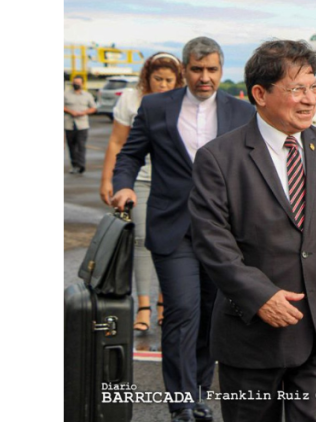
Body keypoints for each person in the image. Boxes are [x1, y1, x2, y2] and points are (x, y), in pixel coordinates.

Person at [189, 40, 316, 422]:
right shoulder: (219, 158)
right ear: (260, 94)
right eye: (296, 89)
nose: (309, 100)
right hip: (252, 334)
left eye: (313, 88)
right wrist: (260, 296)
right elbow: (212, 241)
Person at [110, 37, 255, 422]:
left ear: (221, 70)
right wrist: (123, 185)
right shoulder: (156, 106)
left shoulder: (242, 112)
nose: (205, 77)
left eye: (212, 70)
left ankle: (200, 392)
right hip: (173, 228)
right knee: (182, 310)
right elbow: (130, 154)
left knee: (211, 314)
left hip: (223, 232)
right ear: (184, 70)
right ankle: (182, 402)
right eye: (197, 69)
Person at [99, 52, 184, 332]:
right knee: (142, 241)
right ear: (147, 77)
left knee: (174, 242)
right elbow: (117, 142)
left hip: (173, 183)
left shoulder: (186, 100)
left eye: (169, 80)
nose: (163, 85)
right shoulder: (131, 99)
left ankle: (164, 303)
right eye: (158, 79)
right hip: (141, 180)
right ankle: (144, 305)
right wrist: (108, 180)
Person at [63, 75, 97, 174]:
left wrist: (84, 112)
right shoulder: (66, 94)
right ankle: (74, 165)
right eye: (74, 82)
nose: (76, 84)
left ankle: (81, 165)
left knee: (81, 145)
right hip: (69, 124)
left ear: (82, 83)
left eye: (78, 83)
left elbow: (93, 108)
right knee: (72, 146)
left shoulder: (87, 95)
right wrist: (70, 111)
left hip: (82, 125)